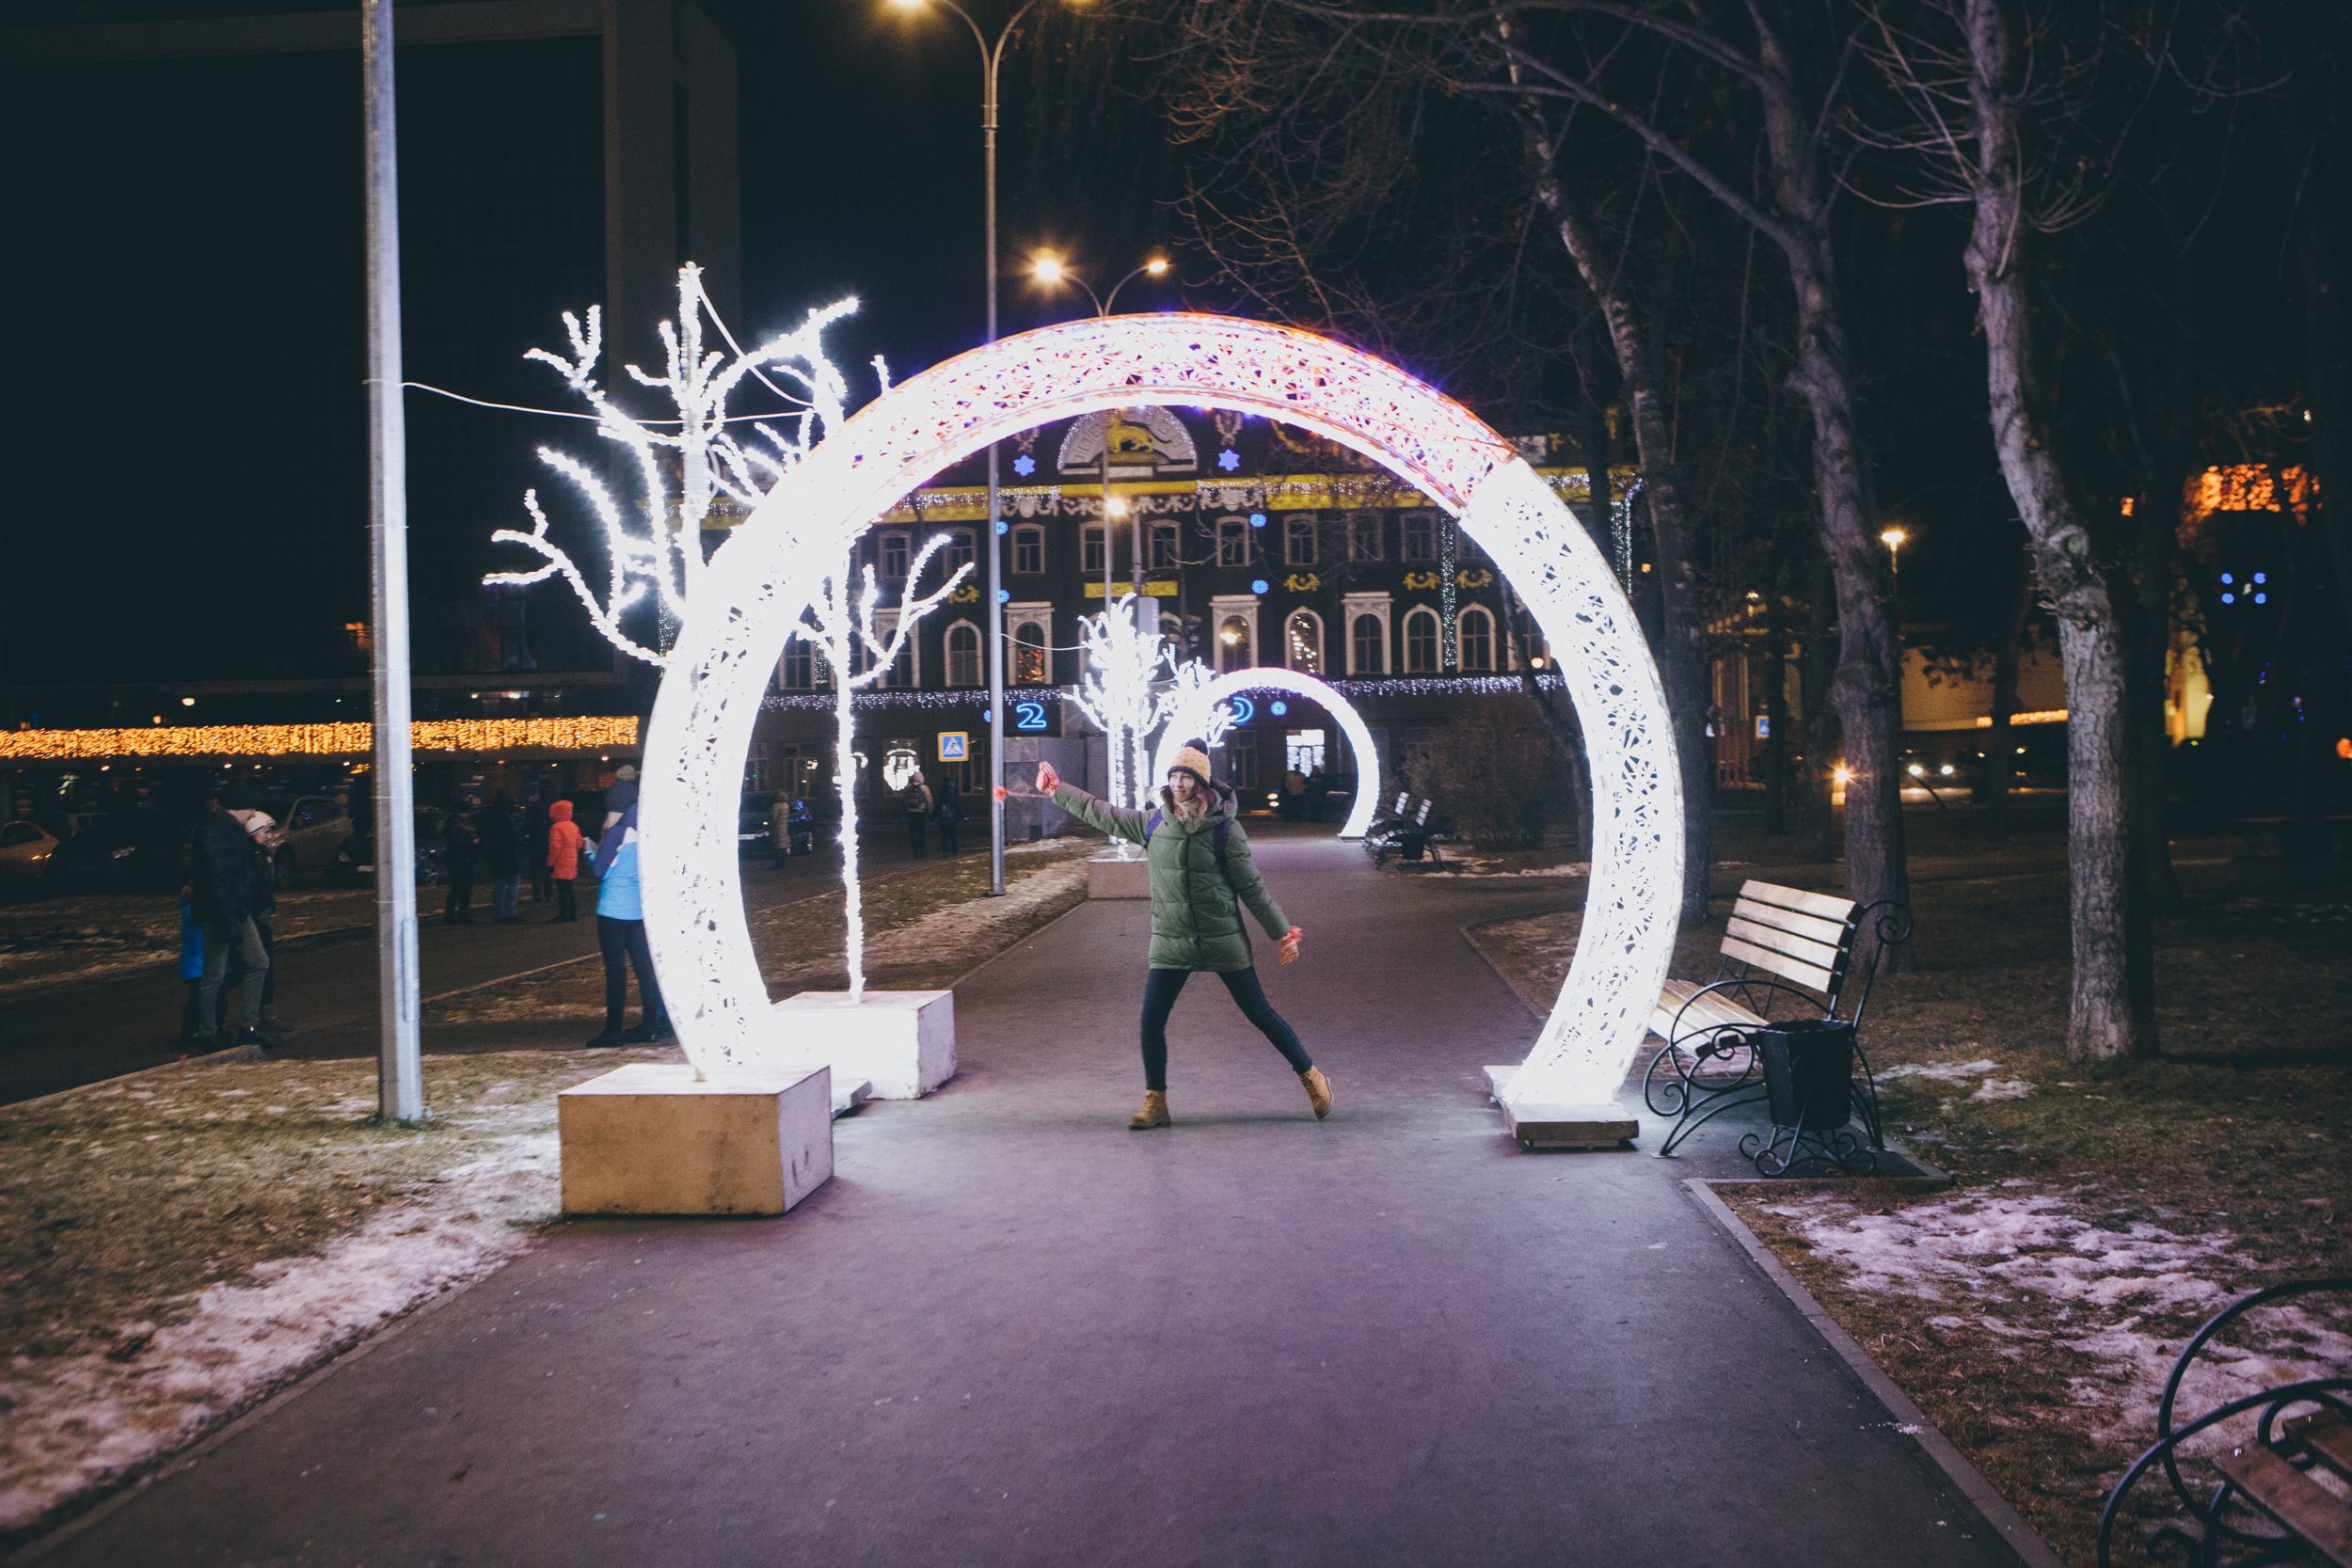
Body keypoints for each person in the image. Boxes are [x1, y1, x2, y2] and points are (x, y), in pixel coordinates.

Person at [1032, 743, 1327, 1129]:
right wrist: (1057, 789)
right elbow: (1101, 813)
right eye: (1174, 776)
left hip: (1221, 937)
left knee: (1260, 1014)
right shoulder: (1154, 823)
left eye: (1187, 776)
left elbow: (1251, 887)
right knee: (1151, 1019)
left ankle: (1312, 1078)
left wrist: (1281, 931)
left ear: (1202, 784)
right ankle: (1156, 1102)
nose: (1179, 783)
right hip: (1171, 940)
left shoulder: (1224, 829)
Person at [190, 783, 278, 1053]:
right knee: (216, 972)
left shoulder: (224, 829)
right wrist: (229, 918)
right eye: (250, 809)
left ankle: (238, 1028)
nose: (253, 815)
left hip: (233, 911)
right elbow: (217, 879)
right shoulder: (217, 831)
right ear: (238, 806)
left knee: (255, 963)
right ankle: (212, 1031)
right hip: (222, 913)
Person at [585, 798, 671, 1046]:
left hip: (612, 911)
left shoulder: (618, 834)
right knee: (646, 971)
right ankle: (650, 1025)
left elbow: (600, 870)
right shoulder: (652, 839)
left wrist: (590, 851)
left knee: (616, 972)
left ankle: (613, 1031)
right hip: (638, 913)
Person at [479, 791, 523, 923]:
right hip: (508, 853)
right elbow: (513, 833)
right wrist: (518, 840)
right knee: (513, 882)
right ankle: (510, 912)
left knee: (499, 885)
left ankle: (498, 914)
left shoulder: (490, 815)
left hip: (495, 853)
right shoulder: (507, 816)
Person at [441, 805, 480, 925]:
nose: (468, 815)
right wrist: (470, 842)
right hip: (459, 860)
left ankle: (460, 915)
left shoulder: (461, 823)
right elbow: (455, 840)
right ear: (460, 813)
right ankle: (453, 916)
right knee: (458, 888)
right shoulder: (455, 824)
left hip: (463, 859)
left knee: (463, 889)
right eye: (466, 812)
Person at [546, 799, 582, 922]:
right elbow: (579, 844)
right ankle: (574, 912)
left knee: (562, 888)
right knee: (570, 887)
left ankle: (564, 913)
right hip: (572, 860)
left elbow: (555, 848)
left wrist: (550, 863)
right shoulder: (573, 826)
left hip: (561, 861)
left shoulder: (556, 827)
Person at [524, 794, 553, 905]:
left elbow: (527, 825)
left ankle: (537, 894)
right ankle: (548, 894)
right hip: (548, 842)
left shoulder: (534, 809)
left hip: (536, 842)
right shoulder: (550, 808)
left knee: (537, 870)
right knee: (548, 870)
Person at [904, 768, 932, 860]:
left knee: (913, 832)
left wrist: (907, 809)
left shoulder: (908, 787)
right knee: (921, 832)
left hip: (911, 813)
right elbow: (929, 800)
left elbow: (905, 800)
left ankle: (915, 851)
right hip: (921, 813)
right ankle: (922, 851)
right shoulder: (924, 788)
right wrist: (930, 811)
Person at [936, 776, 961, 857]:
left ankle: (946, 851)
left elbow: (938, 805)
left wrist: (933, 816)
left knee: (945, 835)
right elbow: (958, 806)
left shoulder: (941, 792)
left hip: (943, 817)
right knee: (953, 835)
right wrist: (963, 816)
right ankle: (954, 851)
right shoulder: (954, 793)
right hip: (953, 817)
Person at [771, 792, 793, 871]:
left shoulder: (776, 806)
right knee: (783, 846)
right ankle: (782, 863)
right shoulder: (786, 806)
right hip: (784, 827)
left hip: (778, 827)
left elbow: (774, 817)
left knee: (777, 846)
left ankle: (778, 864)